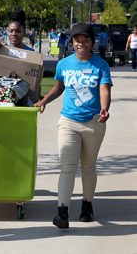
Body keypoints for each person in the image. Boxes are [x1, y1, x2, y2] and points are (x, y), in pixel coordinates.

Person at [34, 23, 112, 229]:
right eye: (77, 40)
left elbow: (104, 89)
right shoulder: (64, 64)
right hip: (68, 121)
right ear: (72, 42)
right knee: (67, 167)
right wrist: (44, 101)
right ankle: (63, 213)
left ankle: (87, 206)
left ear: (92, 42)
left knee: (88, 166)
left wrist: (104, 108)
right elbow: (58, 87)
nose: (81, 44)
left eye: (85, 40)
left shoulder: (100, 65)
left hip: (94, 122)